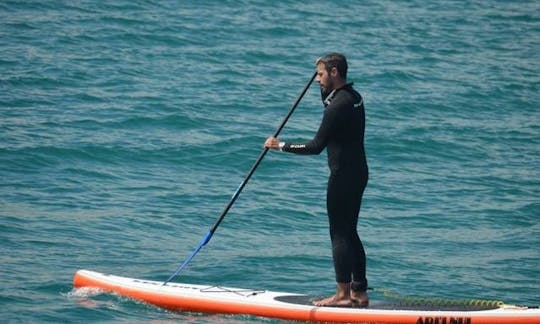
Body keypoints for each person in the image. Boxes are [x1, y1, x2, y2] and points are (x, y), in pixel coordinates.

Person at [264, 53, 369, 307]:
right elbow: (329, 102)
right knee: (350, 231)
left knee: (339, 234)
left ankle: (342, 295)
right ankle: (359, 292)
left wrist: (281, 145)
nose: (317, 80)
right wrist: (322, 83)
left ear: (334, 73)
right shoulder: (353, 97)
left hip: (343, 176)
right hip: (358, 172)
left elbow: (315, 146)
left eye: (321, 75)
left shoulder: (337, 106)